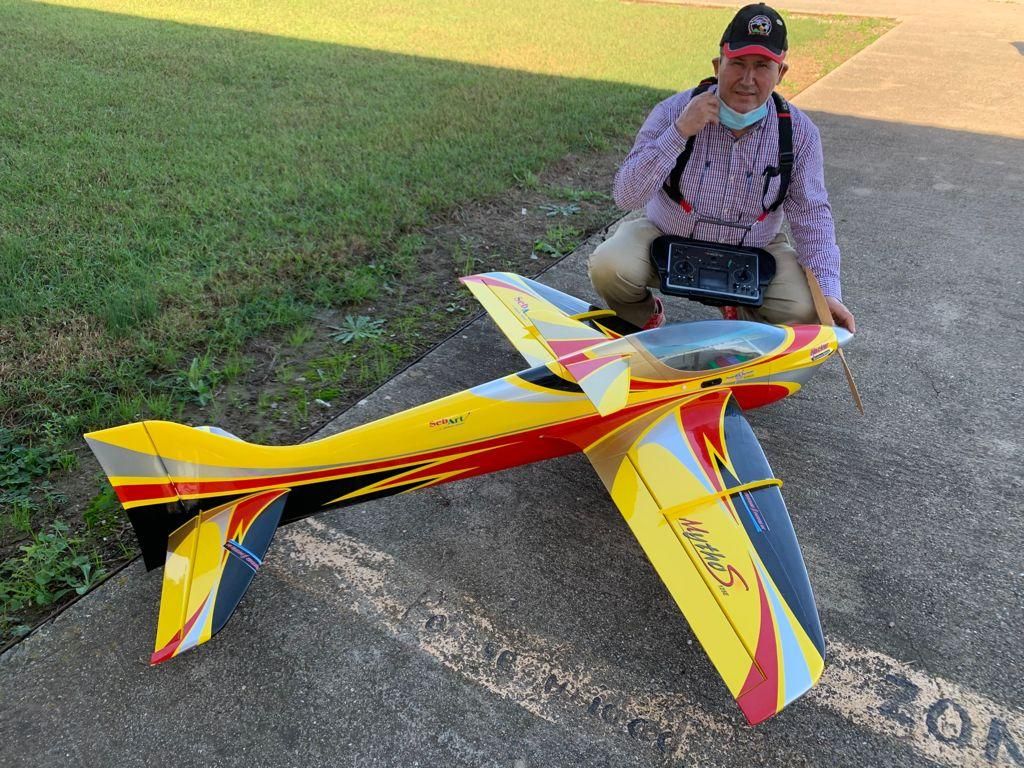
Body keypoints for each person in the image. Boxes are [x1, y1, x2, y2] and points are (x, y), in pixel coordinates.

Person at [588, 3, 855, 333]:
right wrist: (680, 131)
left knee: (806, 309)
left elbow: (812, 216)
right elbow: (626, 195)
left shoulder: (798, 133)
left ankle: (740, 323)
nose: (747, 79)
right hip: (666, 238)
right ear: (718, 65)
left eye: (762, 66)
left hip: (755, 250)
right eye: (738, 64)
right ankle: (645, 317)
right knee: (609, 266)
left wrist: (828, 293)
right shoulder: (674, 110)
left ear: (781, 72)